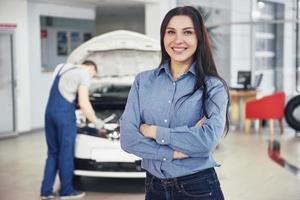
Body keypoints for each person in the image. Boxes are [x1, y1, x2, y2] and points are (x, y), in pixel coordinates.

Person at [120, 6, 230, 200]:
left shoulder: (213, 87)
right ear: (163, 37)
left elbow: (207, 141)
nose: (178, 40)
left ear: (199, 39)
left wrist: (152, 131)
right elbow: (128, 139)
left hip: (199, 188)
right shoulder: (143, 82)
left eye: (187, 32)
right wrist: (173, 152)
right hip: (154, 187)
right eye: (171, 32)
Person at [40, 60, 104, 200]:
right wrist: (97, 122)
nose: (91, 78)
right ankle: (66, 192)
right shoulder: (84, 74)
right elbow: (84, 103)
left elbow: (63, 90)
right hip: (64, 115)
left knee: (52, 153)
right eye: (93, 75)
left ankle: (46, 191)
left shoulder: (60, 66)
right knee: (66, 153)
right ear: (91, 68)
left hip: (49, 113)